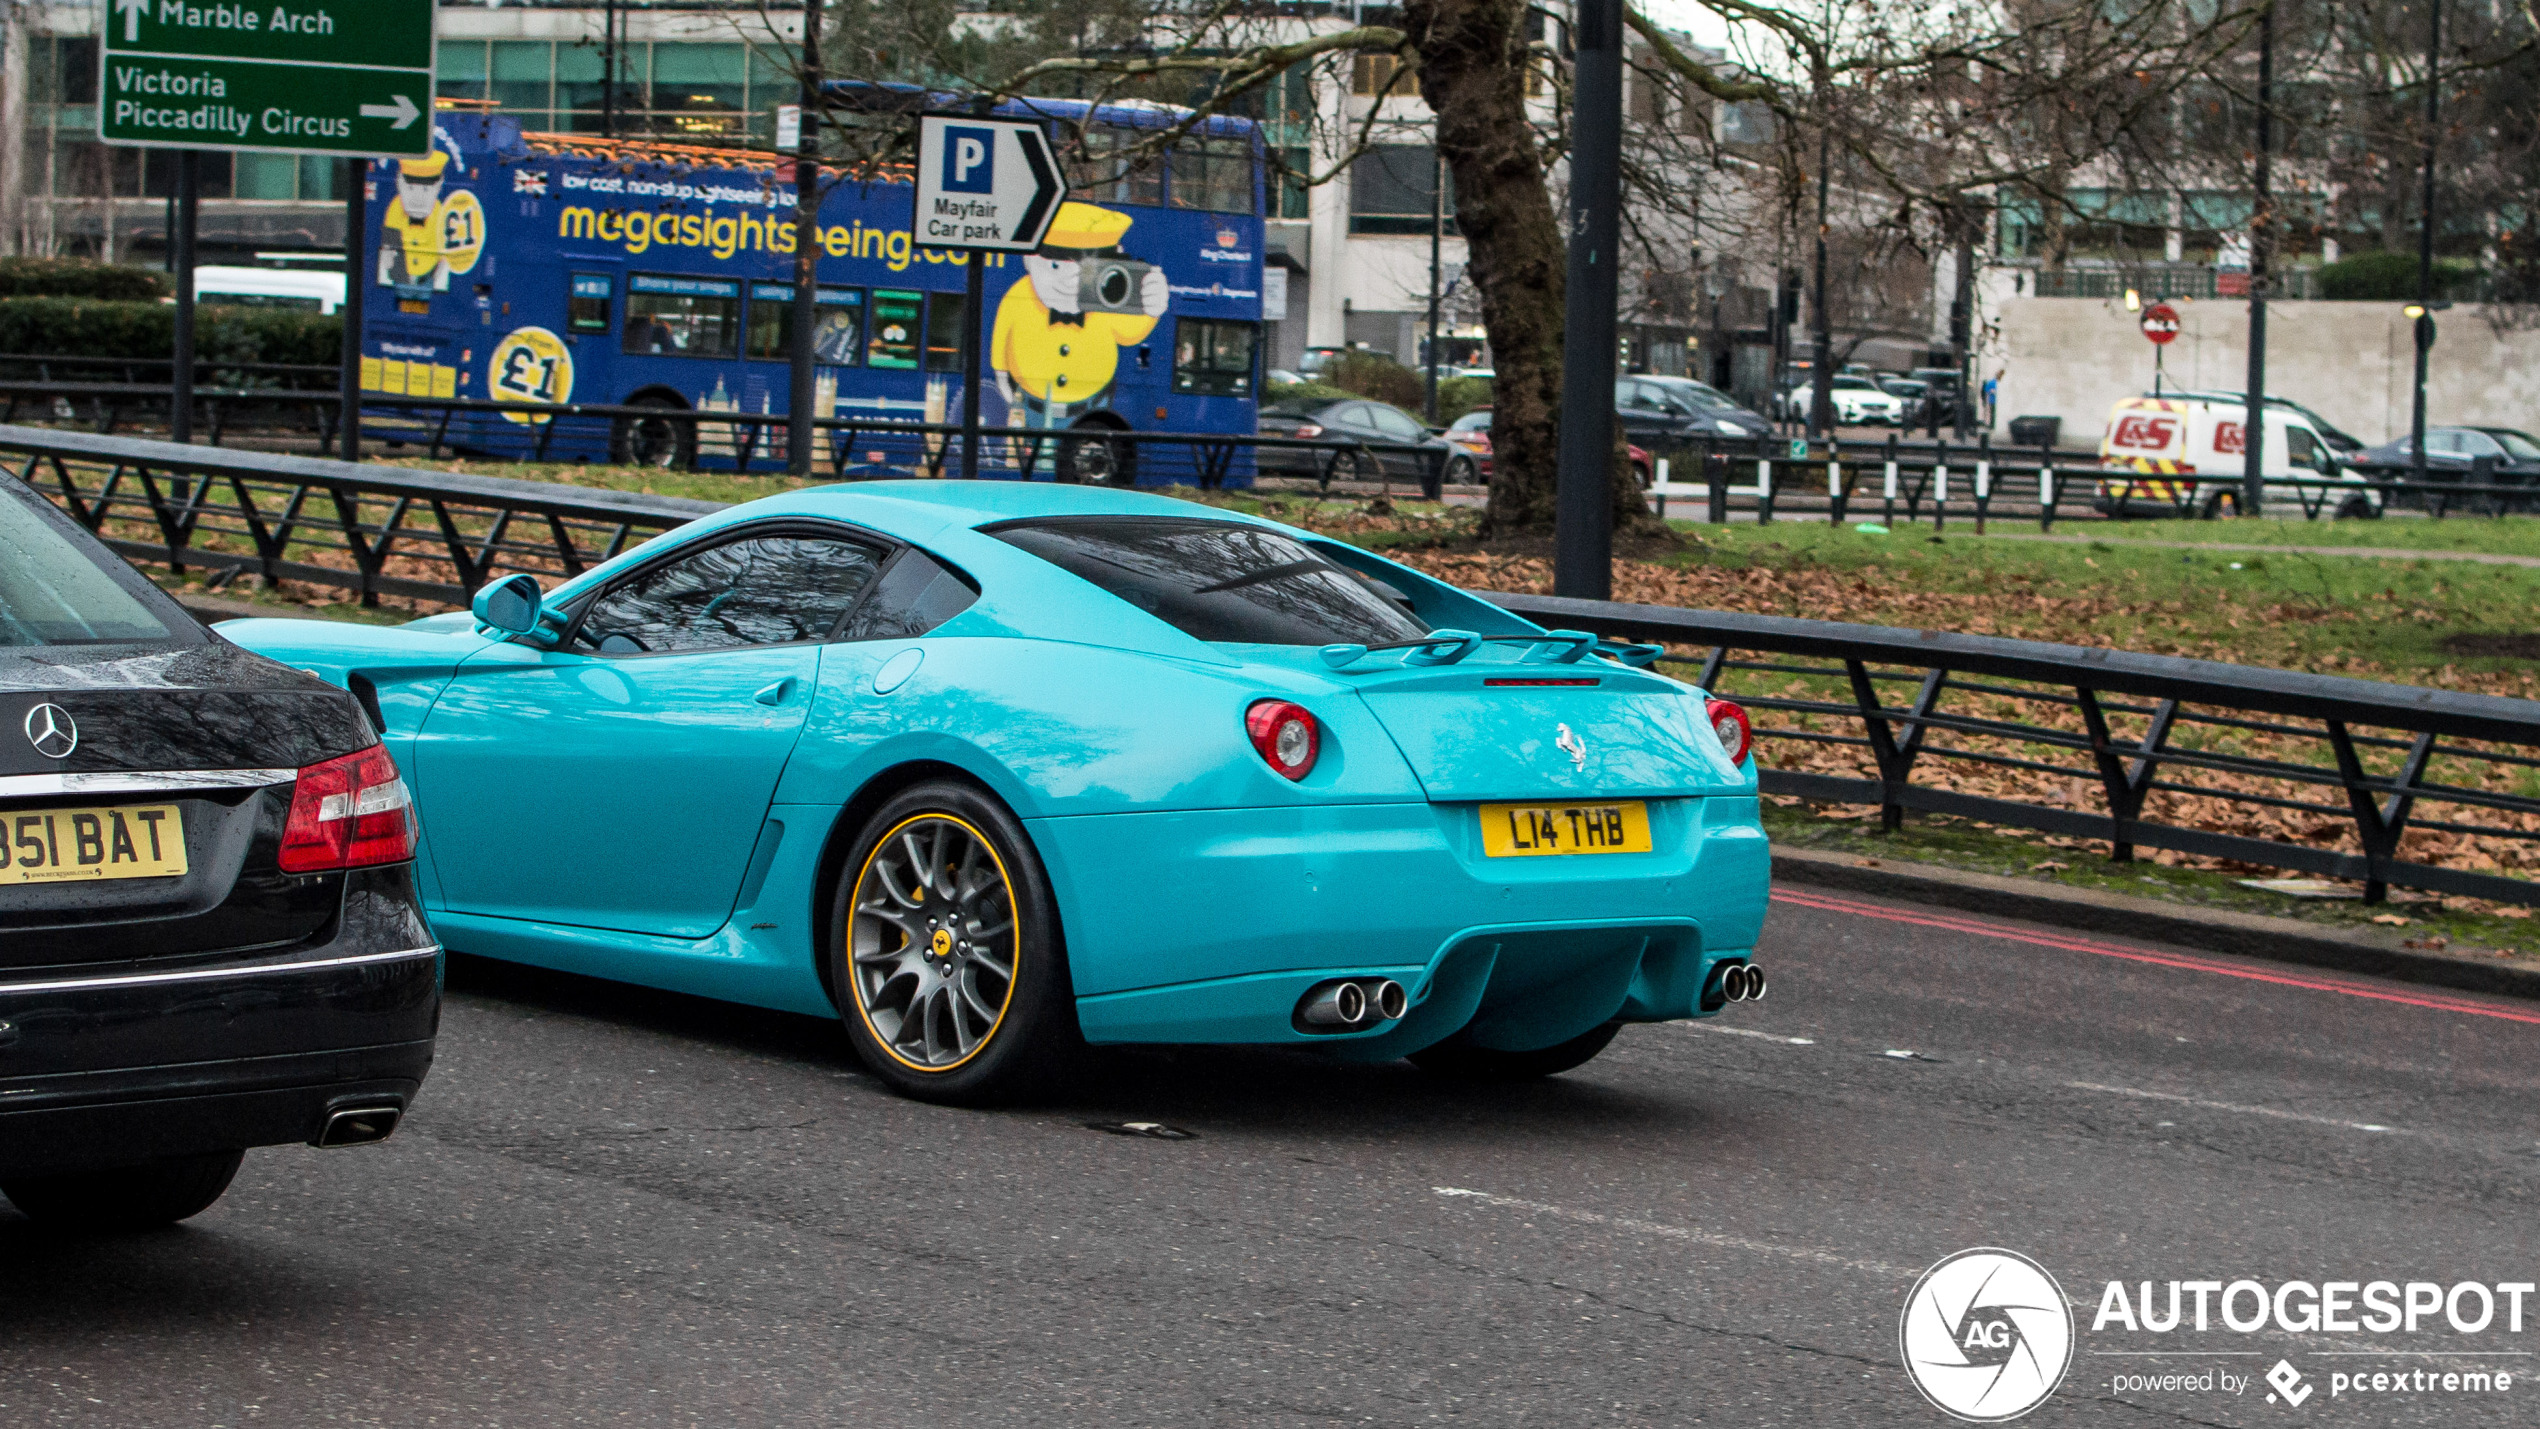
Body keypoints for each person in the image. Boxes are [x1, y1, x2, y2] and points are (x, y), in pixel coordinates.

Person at [990, 202, 1171, 432]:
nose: (1071, 281)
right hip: (1029, 411)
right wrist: (1008, 396)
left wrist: (1151, 307)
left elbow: (1130, 333)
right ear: (1029, 260)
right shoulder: (1017, 297)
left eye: (1086, 271)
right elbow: (1000, 360)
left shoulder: (1106, 302)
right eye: (1056, 264)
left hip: (1092, 408)